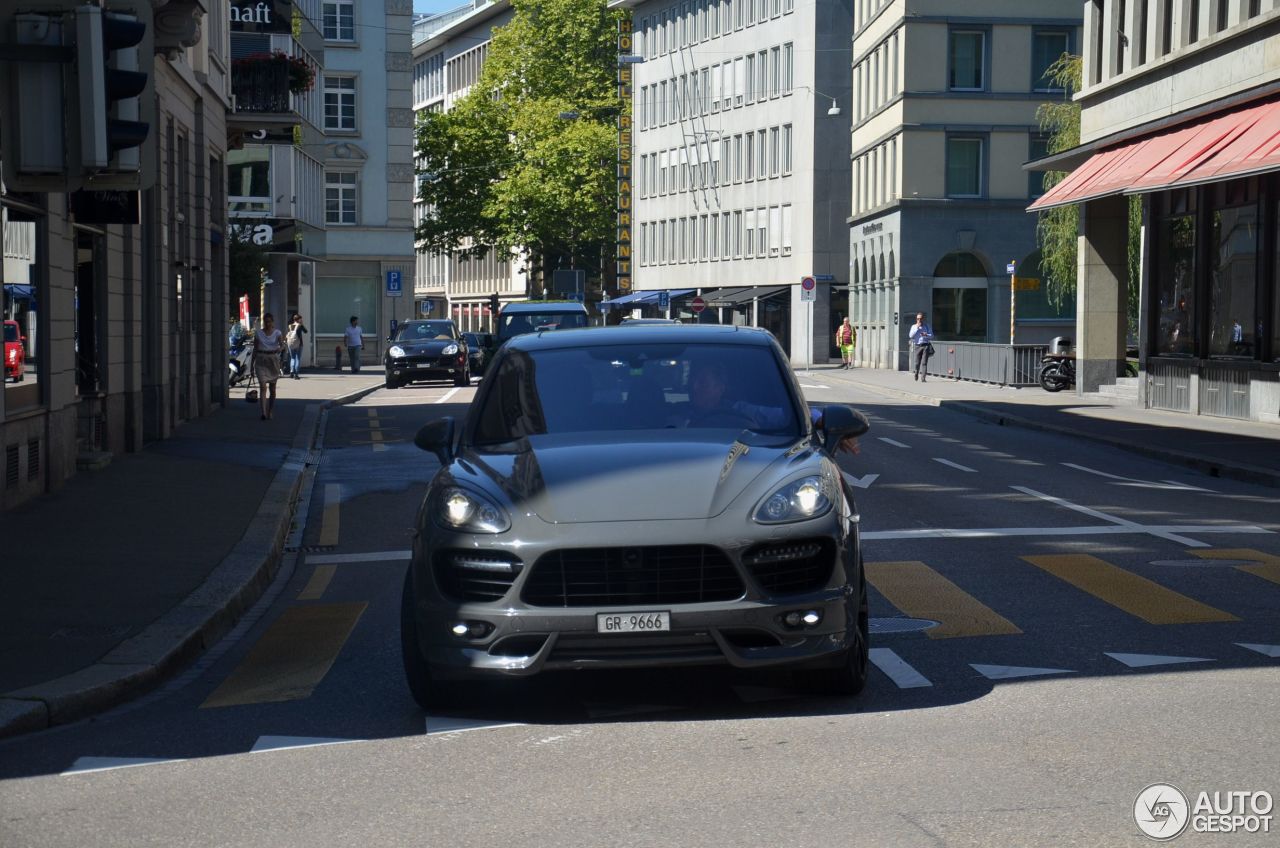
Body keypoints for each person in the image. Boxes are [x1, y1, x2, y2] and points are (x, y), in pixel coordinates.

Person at [253, 313, 284, 420]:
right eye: (266, 321)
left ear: (272, 322)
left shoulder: (277, 333)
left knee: (273, 389)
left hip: (273, 361)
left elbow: (282, 344)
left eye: (269, 321)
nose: (267, 323)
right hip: (261, 360)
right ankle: (263, 412)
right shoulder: (258, 333)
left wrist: (280, 349)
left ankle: (270, 410)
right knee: (262, 386)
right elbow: (255, 349)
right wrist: (252, 363)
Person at [909, 312, 933, 382]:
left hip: (925, 345)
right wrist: (917, 328)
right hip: (917, 345)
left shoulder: (927, 326)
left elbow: (932, 336)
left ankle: (923, 378)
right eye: (918, 319)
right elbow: (910, 336)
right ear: (916, 319)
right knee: (917, 362)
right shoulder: (913, 326)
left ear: (923, 319)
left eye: (920, 318)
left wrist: (926, 335)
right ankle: (916, 373)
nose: (919, 320)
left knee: (924, 362)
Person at [285, 313, 308, 379]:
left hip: (290, 343)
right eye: (301, 319)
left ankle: (291, 372)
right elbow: (306, 331)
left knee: (292, 358)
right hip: (299, 344)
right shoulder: (300, 326)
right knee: (298, 358)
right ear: (298, 319)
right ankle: (296, 374)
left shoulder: (290, 326)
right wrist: (302, 324)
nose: (301, 320)